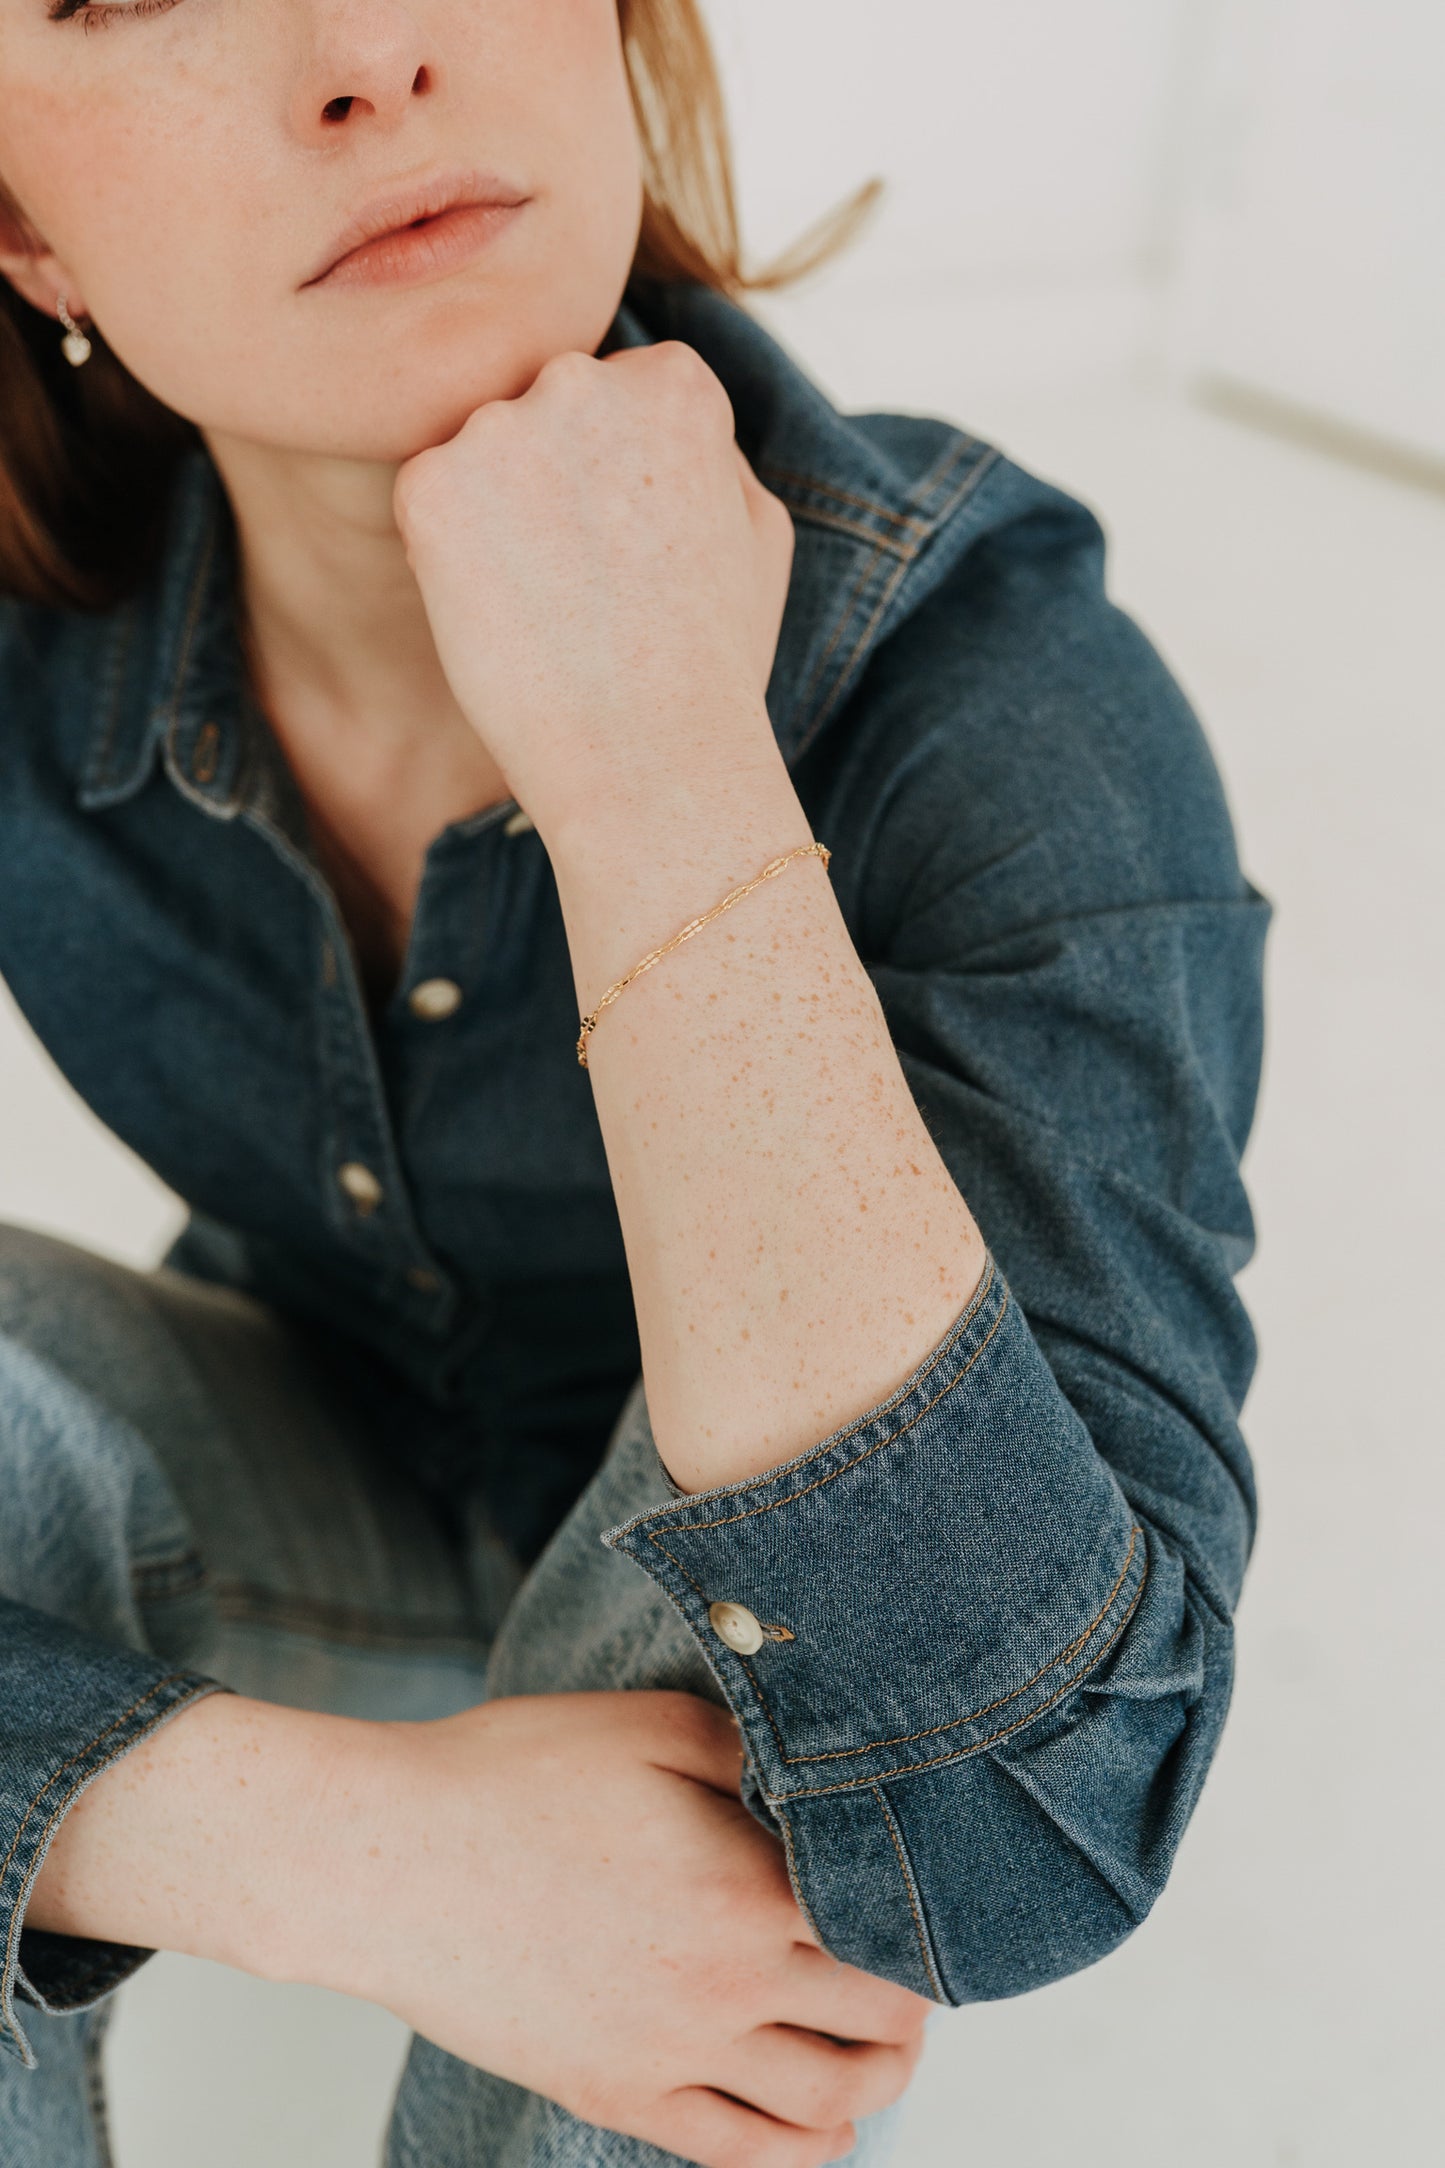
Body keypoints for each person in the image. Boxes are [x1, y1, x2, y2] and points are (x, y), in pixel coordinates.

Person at [0, 3, 1270, 2164]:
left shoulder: (1007, 703)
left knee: (774, 1625)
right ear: (25, 232)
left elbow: (1023, 1823)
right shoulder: (46, 655)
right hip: (318, 1467)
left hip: (731, 1640)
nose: (366, 51)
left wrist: (657, 765)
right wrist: (302, 1841)